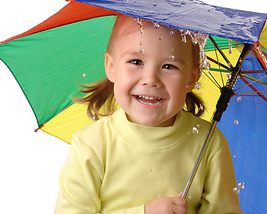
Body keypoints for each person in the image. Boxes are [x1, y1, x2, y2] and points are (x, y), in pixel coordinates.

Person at [54, 14, 243, 214]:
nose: (150, 79)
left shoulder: (209, 143)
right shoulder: (91, 145)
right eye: (136, 62)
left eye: (169, 66)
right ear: (111, 67)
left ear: (192, 78)